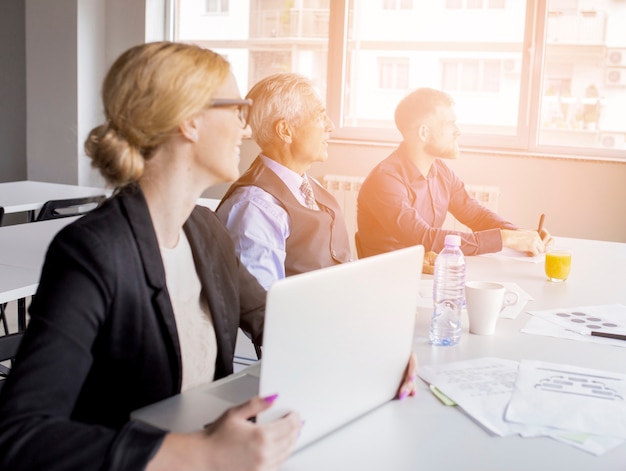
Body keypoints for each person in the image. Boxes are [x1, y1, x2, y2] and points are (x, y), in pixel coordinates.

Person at [0, 43, 416, 471]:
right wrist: (200, 455)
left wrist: (372, 355)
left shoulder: (206, 231)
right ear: (189, 121)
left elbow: (283, 320)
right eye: (238, 109)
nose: (247, 127)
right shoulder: (93, 252)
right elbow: (21, 432)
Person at [357, 87, 552, 260]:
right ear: (424, 133)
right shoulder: (384, 181)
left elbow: (476, 216)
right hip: (389, 282)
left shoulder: (440, 171)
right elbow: (424, 238)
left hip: (425, 276)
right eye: (450, 124)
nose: (457, 131)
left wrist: (520, 234)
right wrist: (503, 239)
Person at [216, 72, 352, 290]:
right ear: (285, 131)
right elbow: (264, 307)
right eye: (320, 116)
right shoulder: (254, 207)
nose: (331, 126)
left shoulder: (308, 186)